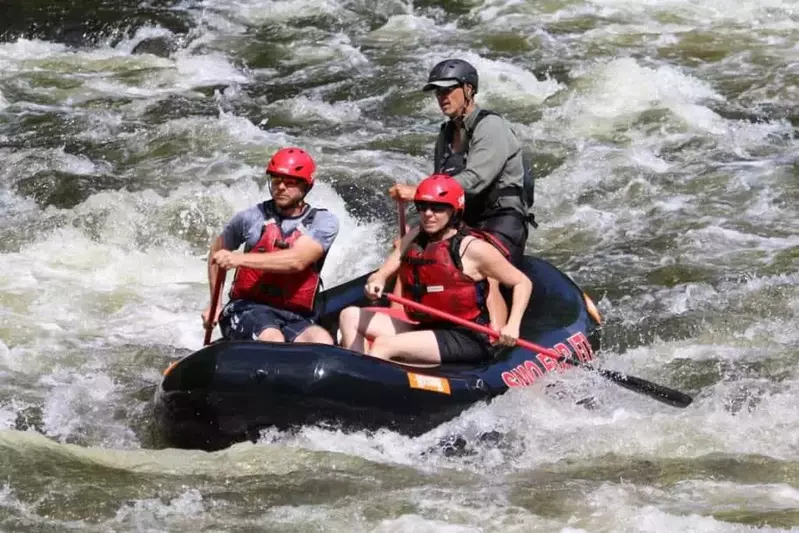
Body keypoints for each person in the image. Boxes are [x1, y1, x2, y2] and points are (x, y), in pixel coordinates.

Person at [339, 174, 532, 366]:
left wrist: (513, 325)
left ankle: (362, 384)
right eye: (422, 207)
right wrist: (378, 280)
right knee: (349, 316)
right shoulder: (417, 236)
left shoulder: (473, 248)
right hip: (426, 327)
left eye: (437, 208)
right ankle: (359, 370)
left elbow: (522, 282)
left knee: (383, 345)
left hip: (466, 336)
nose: (428, 214)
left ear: (455, 211)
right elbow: (392, 261)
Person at [389, 58, 536, 266]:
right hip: (465, 220)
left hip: (501, 218)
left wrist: (420, 192)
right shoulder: (446, 134)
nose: (442, 97)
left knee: (480, 271)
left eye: (448, 90)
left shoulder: (491, 126)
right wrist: (415, 233)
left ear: (468, 90)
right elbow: (440, 181)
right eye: (438, 92)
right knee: (408, 253)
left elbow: (475, 179)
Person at [201, 147, 339, 344]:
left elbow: (297, 260)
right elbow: (217, 251)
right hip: (248, 308)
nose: (281, 187)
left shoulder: (324, 222)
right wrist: (215, 304)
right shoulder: (250, 218)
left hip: (295, 314)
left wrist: (240, 259)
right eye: (276, 181)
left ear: (306, 185)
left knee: (322, 340)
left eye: (290, 182)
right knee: (273, 338)